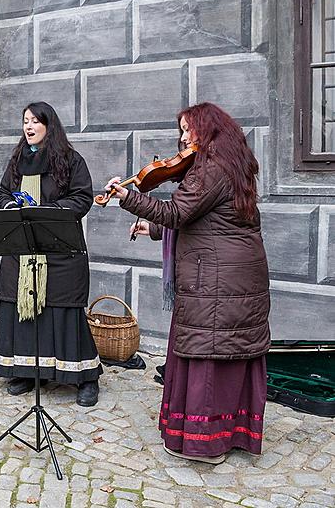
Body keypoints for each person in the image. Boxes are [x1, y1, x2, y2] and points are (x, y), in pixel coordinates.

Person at [106, 102, 270, 464]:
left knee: (209, 356)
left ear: (206, 130)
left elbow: (179, 212)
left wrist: (128, 197)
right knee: (225, 353)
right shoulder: (230, 164)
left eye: (186, 130)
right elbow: (206, 222)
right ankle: (230, 434)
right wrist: (153, 228)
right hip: (233, 275)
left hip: (217, 281)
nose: (181, 139)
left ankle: (206, 443)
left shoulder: (209, 169)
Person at [0, 102, 102, 407]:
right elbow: (3, 193)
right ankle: (27, 371)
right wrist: (10, 207)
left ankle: (85, 376)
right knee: (22, 309)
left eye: (34, 122)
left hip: (59, 251)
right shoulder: (16, 160)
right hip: (23, 249)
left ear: (48, 125)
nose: (28, 127)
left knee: (63, 310)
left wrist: (46, 212)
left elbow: (82, 198)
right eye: (24, 121)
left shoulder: (70, 160)